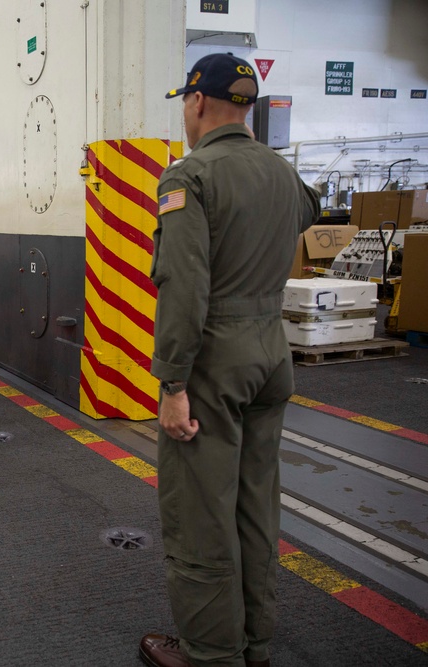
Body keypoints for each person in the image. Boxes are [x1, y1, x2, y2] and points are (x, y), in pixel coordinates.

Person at [139, 54, 320, 667]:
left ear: (196, 102)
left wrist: (173, 382)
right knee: (254, 503)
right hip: (272, 352)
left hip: (214, 360)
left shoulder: (188, 178)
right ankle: (255, 643)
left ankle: (210, 651)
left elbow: (184, 290)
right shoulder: (284, 174)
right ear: (246, 107)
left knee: (200, 510)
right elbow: (312, 209)